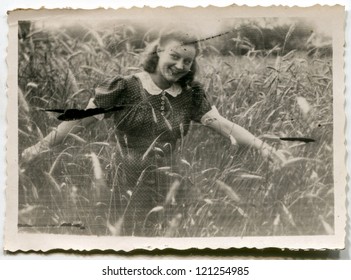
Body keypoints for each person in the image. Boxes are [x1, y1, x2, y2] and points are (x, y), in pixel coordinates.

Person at [21, 30, 286, 236]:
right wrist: (40, 146)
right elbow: (78, 121)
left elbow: (225, 126)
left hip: (170, 183)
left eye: (187, 61)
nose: (180, 65)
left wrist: (264, 147)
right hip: (124, 184)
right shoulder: (125, 87)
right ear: (158, 51)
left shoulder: (191, 95)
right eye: (174, 56)